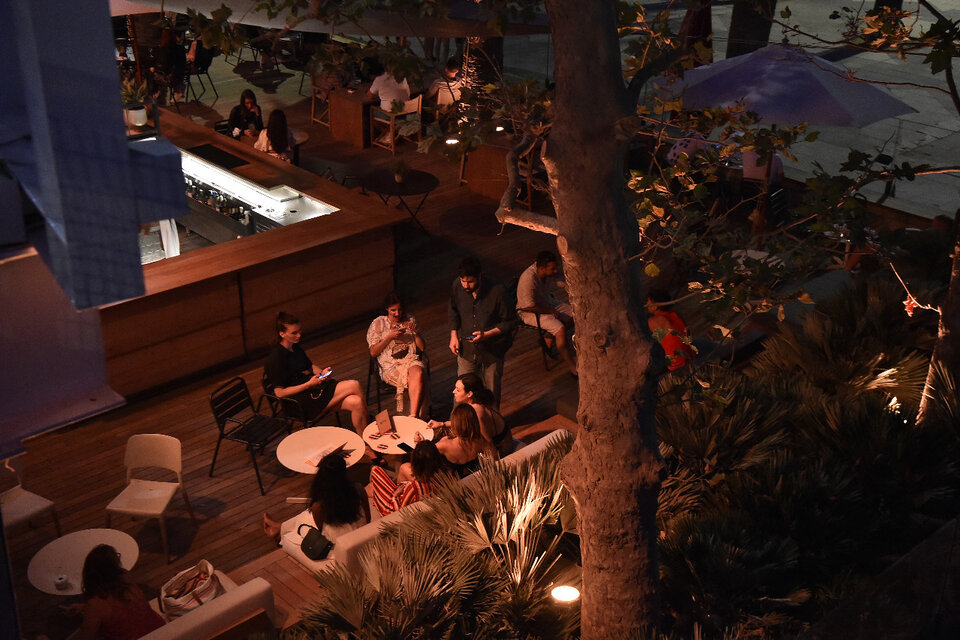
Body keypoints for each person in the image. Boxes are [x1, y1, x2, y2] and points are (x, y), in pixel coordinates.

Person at [264, 312, 369, 434]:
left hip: (309, 389)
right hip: (297, 402)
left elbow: (310, 366)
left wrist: (322, 373)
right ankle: (369, 424)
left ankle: (365, 442)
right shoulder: (276, 358)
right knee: (353, 385)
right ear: (282, 334)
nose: (299, 335)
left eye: (299, 331)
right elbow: (279, 393)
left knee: (356, 402)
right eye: (294, 333)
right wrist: (308, 384)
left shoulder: (295, 346)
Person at [448, 257, 516, 408]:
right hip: (467, 349)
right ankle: (458, 427)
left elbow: (511, 321)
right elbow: (453, 311)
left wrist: (487, 334)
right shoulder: (457, 286)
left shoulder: (498, 291)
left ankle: (492, 427)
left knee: (490, 393)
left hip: (492, 350)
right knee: (461, 391)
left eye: (470, 282)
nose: (466, 285)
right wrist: (453, 336)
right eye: (463, 281)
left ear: (480, 276)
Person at [263, 453, 370, 545]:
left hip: (337, 544)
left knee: (303, 520)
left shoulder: (320, 505)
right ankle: (279, 527)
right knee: (307, 514)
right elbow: (368, 518)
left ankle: (278, 532)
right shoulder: (358, 489)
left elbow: (321, 530)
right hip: (359, 535)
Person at [70, 544, 165, 640]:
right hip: (159, 631)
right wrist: (85, 607)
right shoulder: (125, 576)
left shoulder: (96, 605)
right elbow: (119, 604)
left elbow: (86, 637)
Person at [366, 293, 430, 419]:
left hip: (410, 359)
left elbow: (422, 348)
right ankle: (418, 416)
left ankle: (413, 416)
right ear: (387, 310)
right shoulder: (378, 323)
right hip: (390, 364)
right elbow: (373, 352)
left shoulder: (409, 319)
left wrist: (415, 332)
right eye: (393, 310)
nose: (397, 313)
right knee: (418, 379)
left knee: (418, 373)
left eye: (399, 310)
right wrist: (389, 337)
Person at [516, 250, 578, 376]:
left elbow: (565, 282)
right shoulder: (528, 278)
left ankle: (548, 337)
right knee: (559, 328)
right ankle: (573, 368)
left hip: (547, 302)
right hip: (530, 312)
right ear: (542, 268)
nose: (555, 271)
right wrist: (550, 312)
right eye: (552, 269)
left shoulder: (548, 272)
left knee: (576, 314)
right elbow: (528, 305)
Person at [431, 373, 515, 457]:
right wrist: (442, 424)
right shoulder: (476, 403)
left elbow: (488, 443)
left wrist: (493, 466)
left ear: (469, 394)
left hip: (501, 448)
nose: (453, 392)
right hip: (499, 442)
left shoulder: (476, 413)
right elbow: (463, 423)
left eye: (458, 390)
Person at [366, 439, 448, 516]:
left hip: (392, 509)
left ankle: (375, 460)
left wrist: (395, 495)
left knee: (375, 470)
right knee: (402, 468)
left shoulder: (414, 487)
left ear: (416, 462)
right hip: (411, 495)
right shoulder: (444, 474)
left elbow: (398, 511)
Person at [423, 404, 496, 478]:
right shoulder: (480, 441)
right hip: (476, 479)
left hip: (455, 485)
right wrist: (442, 424)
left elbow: (424, 454)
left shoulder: (445, 444)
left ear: (455, 423)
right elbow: (495, 457)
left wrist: (421, 443)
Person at [646, 290, 695, 371]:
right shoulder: (677, 315)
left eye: (648, 302)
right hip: (691, 362)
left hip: (676, 367)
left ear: (655, 306)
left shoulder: (657, 320)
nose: (646, 305)